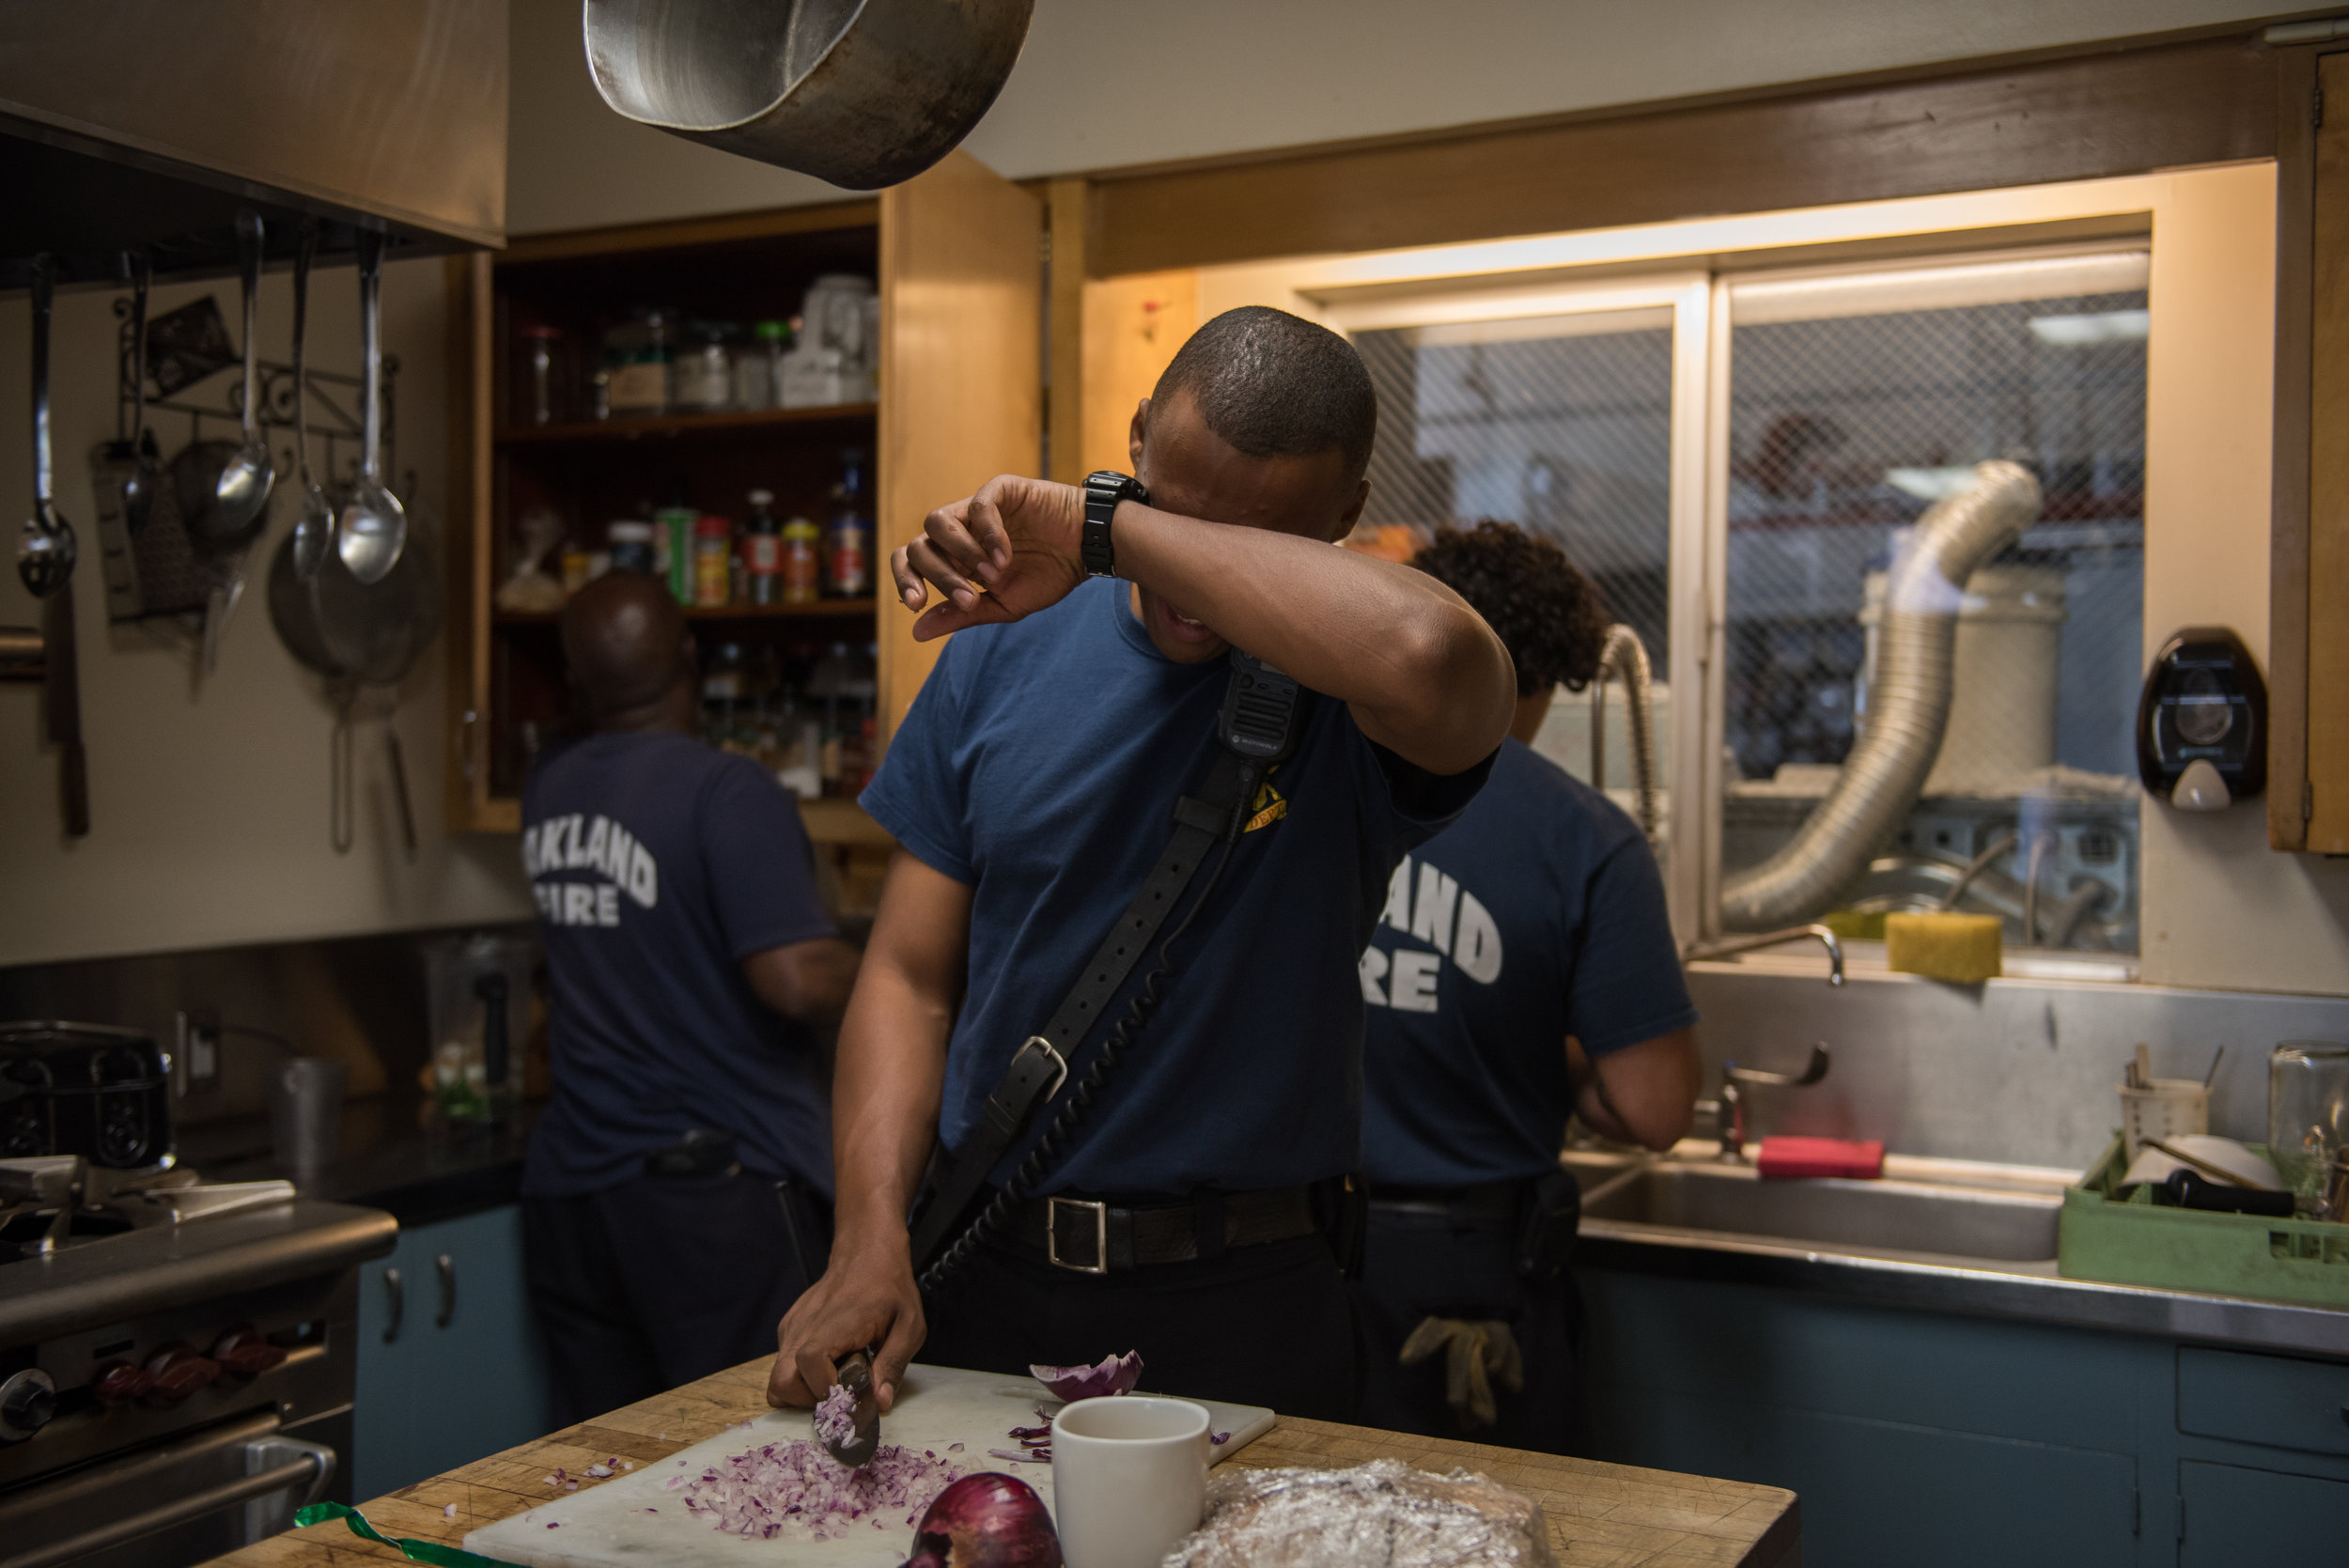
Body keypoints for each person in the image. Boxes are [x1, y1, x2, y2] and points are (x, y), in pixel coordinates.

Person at [768, 306, 1518, 1423]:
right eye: (1170, 506)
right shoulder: (1000, 649)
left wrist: (1110, 529)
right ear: (1135, 443)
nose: (1187, 591)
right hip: (987, 1262)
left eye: (1255, 540)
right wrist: (869, 1237)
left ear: (1345, 515)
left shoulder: (1348, 684)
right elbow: (910, 977)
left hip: (1243, 1295)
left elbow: (1432, 654)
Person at [1354, 521, 1700, 1452]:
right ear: (1543, 677)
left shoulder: (1309, 789)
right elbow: (1656, 1106)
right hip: (1467, 1286)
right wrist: (1559, 1047)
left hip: (1283, 1263)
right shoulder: (1580, 835)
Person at [520, 571, 861, 1426]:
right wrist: (892, 967)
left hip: (574, 1195)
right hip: (712, 1202)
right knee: (755, 1458)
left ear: (575, 674)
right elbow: (796, 978)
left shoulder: (548, 788)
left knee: (601, 1469)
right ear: (691, 656)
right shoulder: (727, 790)